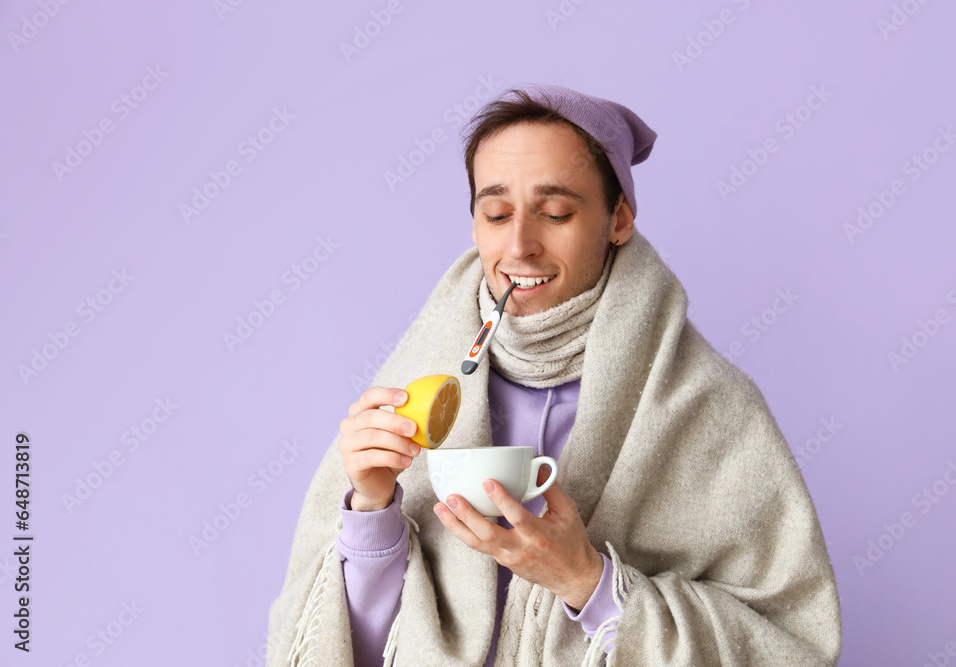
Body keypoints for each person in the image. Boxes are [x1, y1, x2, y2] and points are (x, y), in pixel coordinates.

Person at [267, 84, 842, 666]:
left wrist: (586, 582)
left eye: (556, 212)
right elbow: (355, 651)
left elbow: (794, 645)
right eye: (496, 213)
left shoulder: (708, 406)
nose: (519, 245)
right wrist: (371, 508)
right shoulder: (420, 381)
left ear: (618, 219)